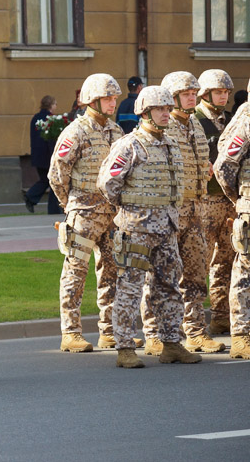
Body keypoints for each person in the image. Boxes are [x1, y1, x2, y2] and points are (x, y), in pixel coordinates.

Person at [97, 85, 201, 368]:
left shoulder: (170, 144)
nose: (166, 113)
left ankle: (171, 343)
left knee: (169, 286)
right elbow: (108, 183)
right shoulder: (130, 145)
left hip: (166, 228)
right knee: (130, 287)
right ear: (145, 112)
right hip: (137, 228)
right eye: (160, 109)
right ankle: (125, 348)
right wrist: (130, 209)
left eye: (168, 108)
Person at [141, 72, 223, 355]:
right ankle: (154, 333)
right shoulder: (164, 126)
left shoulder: (195, 125)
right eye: (187, 93)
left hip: (196, 209)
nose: (193, 97)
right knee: (161, 273)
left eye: (194, 93)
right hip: (170, 211)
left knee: (195, 272)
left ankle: (195, 332)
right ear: (173, 97)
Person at [47, 74, 124, 352]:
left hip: (111, 215)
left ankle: (109, 331)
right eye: (108, 98)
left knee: (112, 272)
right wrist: (69, 205)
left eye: (114, 98)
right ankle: (71, 333)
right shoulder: (76, 131)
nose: (113, 102)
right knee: (75, 271)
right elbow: (57, 173)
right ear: (92, 100)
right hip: (83, 213)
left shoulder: (116, 132)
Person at [210, 82, 250, 360]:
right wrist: (240, 199)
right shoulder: (247, 117)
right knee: (245, 273)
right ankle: (241, 336)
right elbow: (224, 165)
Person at [194, 69, 235, 335]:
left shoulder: (230, 120)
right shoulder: (194, 120)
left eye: (226, 92)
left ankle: (222, 316)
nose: (223, 96)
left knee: (227, 259)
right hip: (206, 199)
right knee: (200, 260)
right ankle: (194, 322)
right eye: (219, 92)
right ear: (206, 94)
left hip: (228, 198)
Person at [24, 95, 60, 214]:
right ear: (50, 105)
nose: (56, 106)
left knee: (46, 180)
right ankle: (52, 208)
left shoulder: (36, 118)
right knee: (53, 181)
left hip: (37, 155)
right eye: (55, 104)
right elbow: (51, 140)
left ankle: (31, 197)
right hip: (47, 156)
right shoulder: (51, 119)